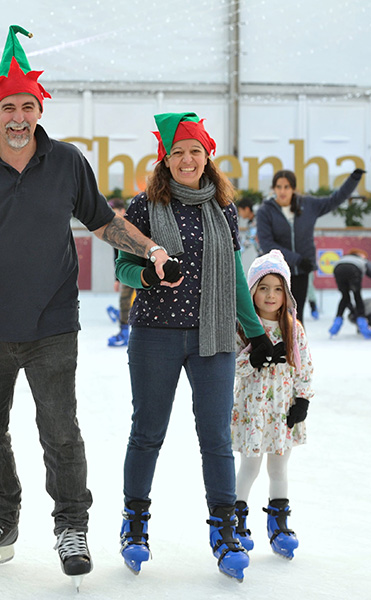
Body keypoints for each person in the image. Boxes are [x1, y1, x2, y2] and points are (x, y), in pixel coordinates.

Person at [0, 26, 182, 588]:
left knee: (60, 431)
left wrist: (151, 247)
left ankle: (71, 525)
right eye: (8, 106)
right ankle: (0, 521)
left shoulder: (66, 162)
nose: (18, 116)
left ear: (39, 110)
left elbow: (104, 221)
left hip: (53, 324)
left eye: (27, 106)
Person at [114, 112, 282, 581]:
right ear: (165, 159)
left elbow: (231, 275)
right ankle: (134, 521)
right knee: (147, 431)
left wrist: (255, 334)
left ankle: (224, 527)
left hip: (213, 339)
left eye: (195, 151)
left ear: (207, 156)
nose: (187, 160)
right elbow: (123, 268)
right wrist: (148, 275)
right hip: (155, 335)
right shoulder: (144, 206)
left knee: (217, 439)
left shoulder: (223, 208)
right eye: (178, 152)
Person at [231, 249, 314, 561]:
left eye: (278, 289)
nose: (270, 295)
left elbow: (304, 366)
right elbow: (230, 367)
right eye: (263, 287)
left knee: (279, 467)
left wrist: (302, 400)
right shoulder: (241, 326)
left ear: (287, 293)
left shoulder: (293, 327)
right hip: (253, 411)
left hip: (283, 411)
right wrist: (251, 357)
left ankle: (279, 524)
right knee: (250, 466)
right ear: (251, 291)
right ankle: (236, 523)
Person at [257, 167, 366, 323]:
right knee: (278, 317)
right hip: (277, 272)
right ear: (273, 188)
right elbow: (267, 244)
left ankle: (298, 347)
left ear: (293, 189)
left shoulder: (308, 205)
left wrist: (353, 180)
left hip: (301, 272)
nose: (282, 191)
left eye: (286, 187)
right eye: (279, 187)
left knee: (296, 316)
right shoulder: (265, 211)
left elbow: (335, 200)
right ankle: (278, 347)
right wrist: (297, 259)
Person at [329, 248, 371, 339]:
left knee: (345, 297)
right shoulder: (362, 261)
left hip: (338, 268)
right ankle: (363, 325)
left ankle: (336, 323)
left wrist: (352, 309)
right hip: (353, 269)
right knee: (357, 296)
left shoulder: (343, 258)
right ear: (359, 254)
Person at [106, 197, 135, 347]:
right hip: (126, 270)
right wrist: (117, 278)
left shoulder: (134, 222)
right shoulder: (113, 230)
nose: (113, 214)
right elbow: (116, 256)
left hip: (140, 267)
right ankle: (124, 331)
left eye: (115, 211)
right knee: (124, 300)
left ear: (122, 211)